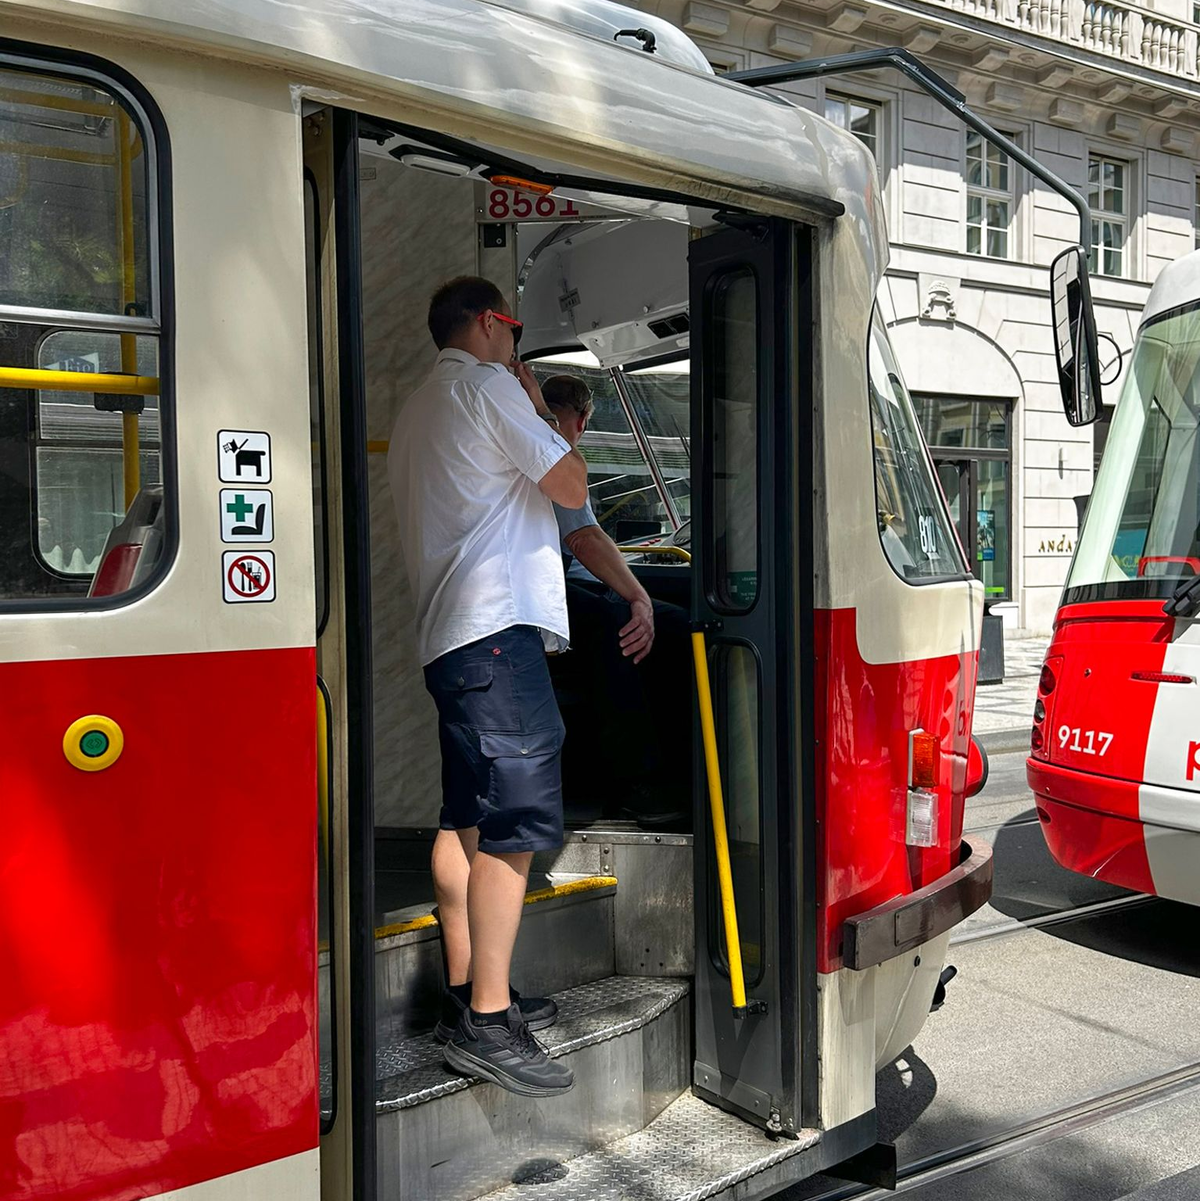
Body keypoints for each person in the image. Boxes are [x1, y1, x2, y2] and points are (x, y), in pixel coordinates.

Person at [388, 276, 587, 1097]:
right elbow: (572, 486)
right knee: (516, 825)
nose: (517, 343)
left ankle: (468, 989)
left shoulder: (416, 409)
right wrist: (538, 408)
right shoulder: (487, 389)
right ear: (485, 324)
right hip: (497, 637)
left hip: (448, 644)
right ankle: (489, 1020)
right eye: (513, 327)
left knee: (464, 815)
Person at [541, 375, 692, 828]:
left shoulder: (560, 460)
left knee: (680, 626)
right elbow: (584, 540)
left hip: (581, 582)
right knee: (617, 629)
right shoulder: (548, 457)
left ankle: (682, 766)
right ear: (585, 420)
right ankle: (635, 782)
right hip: (554, 584)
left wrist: (638, 597)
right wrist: (635, 597)